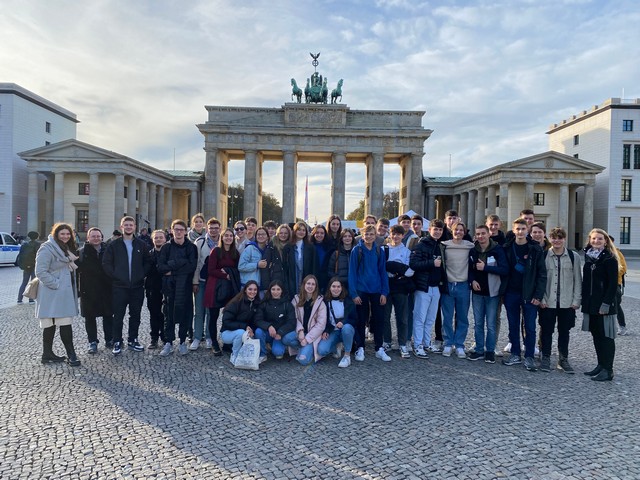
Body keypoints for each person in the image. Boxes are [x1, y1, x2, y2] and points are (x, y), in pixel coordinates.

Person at [501, 218, 547, 372]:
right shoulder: (507, 247)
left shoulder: (535, 249)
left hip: (529, 294)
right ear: (513, 230)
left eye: (523, 229)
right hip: (511, 292)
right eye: (517, 229)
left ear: (527, 230)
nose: (520, 232)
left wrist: (538, 295)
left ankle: (529, 356)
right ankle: (515, 353)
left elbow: (542, 274)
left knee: (530, 326)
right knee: (513, 325)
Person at [102, 216, 152, 355]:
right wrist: (116, 276)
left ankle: (133, 339)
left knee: (135, 315)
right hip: (119, 286)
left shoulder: (141, 244)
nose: (129, 227)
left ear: (134, 227)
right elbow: (106, 263)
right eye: (126, 225)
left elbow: (148, 261)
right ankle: (117, 341)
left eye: (131, 225)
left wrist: (142, 274)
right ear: (121, 227)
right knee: (118, 315)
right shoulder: (114, 245)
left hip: (137, 286)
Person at [35, 223, 81, 366]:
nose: (66, 236)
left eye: (68, 234)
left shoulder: (66, 248)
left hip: (63, 293)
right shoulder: (47, 248)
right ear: (56, 234)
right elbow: (40, 271)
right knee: (50, 324)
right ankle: (50, 354)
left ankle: (66, 353)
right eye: (62, 234)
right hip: (51, 292)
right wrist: (56, 284)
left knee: (65, 323)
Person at [539, 227, 581, 373]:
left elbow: (578, 279)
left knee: (564, 332)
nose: (557, 240)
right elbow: (541, 280)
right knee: (546, 331)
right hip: (548, 301)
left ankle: (563, 359)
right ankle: (545, 357)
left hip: (567, 302)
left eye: (560, 237)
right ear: (550, 239)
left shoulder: (573, 256)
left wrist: (576, 300)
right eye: (554, 238)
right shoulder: (544, 255)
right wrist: (542, 299)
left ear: (564, 239)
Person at [348, 224, 390, 362]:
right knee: (361, 319)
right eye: (367, 234)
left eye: (372, 234)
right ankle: (361, 347)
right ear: (362, 235)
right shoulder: (357, 250)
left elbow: (383, 272)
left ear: (375, 236)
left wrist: (385, 291)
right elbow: (352, 273)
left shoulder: (379, 251)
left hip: (377, 289)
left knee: (379, 319)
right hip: (361, 289)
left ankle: (379, 347)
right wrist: (353, 293)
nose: (369, 237)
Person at [581, 228, 618, 381]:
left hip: (604, 305)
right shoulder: (589, 257)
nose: (596, 241)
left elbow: (612, 284)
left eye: (600, 239)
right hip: (591, 304)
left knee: (606, 337)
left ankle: (608, 369)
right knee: (596, 335)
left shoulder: (609, 259)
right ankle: (600, 365)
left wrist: (606, 304)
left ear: (606, 241)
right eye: (594, 239)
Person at [468, 225, 508, 363]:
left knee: (491, 323)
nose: (481, 236)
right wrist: (472, 280)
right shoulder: (473, 250)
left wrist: (485, 267)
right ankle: (479, 349)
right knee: (478, 323)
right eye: (478, 234)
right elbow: (469, 269)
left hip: (493, 292)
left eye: (483, 233)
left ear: (488, 234)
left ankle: (490, 351)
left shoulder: (497, 250)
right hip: (477, 292)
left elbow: (504, 269)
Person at [157, 219, 198, 356]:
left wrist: (172, 268)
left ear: (186, 231)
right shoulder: (166, 247)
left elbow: (191, 267)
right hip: (169, 287)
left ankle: (182, 342)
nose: (179, 232)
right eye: (176, 229)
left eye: (181, 229)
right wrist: (181, 263)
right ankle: (168, 342)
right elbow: (161, 267)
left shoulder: (191, 247)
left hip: (185, 286)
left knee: (185, 314)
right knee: (168, 315)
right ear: (171, 231)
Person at [410, 219, 444, 359]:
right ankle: (417, 345)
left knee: (430, 318)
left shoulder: (441, 246)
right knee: (420, 318)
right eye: (435, 229)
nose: (437, 232)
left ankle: (426, 342)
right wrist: (431, 263)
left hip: (436, 286)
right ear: (429, 230)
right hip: (423, 286)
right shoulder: (421, 245)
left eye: (440, 230)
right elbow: (414, 264)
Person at [440, 221, 474, 359]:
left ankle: (459, 344)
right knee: (447, 317)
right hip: (448, 284)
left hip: (463, 285)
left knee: (462, 317)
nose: (458, 232)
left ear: (464, 232)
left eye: (461, 230)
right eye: (456, 230)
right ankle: (448, 342)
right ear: (452, 231)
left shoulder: (469, 246)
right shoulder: (444, 246)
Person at [204, 227, 241, 355]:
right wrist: (225, 274)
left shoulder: (235, 253)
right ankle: (214, 342)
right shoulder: (216, 251)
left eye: (231, 236)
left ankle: (227, 342)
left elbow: (238, 269)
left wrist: (228, 271)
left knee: (228, 316)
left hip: (230, 288)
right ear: (222, 237)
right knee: (213, 316)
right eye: (226, 236)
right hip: (215, 286)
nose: (228, 238)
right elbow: (211, 270)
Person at [77, 227, 113, 354]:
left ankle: (110, 339)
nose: (96, 238)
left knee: (108, 316)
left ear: (102, 237)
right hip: (88, 290)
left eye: (98, 236)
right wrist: (77, 290)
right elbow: (76, 272)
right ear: (88, 238)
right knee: (90, 318)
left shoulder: (109, 250)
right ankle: (92, 341)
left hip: (106, 289)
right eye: (93, 236)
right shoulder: (81, 252)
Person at [383, 225, 414, 358]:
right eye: (393, 234)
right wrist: (398, 267)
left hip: (401, 286)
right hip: (386, 285)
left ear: (402, 236)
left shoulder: (406, 251)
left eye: (398, 234)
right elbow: (382, 267)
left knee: (402, 317)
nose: (395, 237)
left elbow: (409, 272)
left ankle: (402, 343)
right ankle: (387, 341)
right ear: (390, 235)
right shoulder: (384, 249)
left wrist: (392, 266)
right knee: (385, 315)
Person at [191, 217, 221, 350]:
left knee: (211, 311)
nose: (214, 230)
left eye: (216, 228)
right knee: (199, 311)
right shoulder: (200, 242)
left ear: (219, 229)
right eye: (211, 228)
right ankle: (197, 337)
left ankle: (209, 336)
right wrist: (195, 282)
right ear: (207, 229)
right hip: (202, 282)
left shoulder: (223, 242)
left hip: (215, 283)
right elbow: (196, 263)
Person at [283, 275, 327, 366]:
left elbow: (321, 325)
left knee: (303, 361)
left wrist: (307, 339)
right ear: (304, 285)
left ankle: (307, 350)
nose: (310, 286)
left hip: (312, 336)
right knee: (286, 339)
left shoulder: (320, 303)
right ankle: (302, 348)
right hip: (300, 332)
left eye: (313, 284)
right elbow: (293, 318)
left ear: (316, 287)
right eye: (308, 283)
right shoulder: (296, 299)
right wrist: (300, 330)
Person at [220, 280, 263, 364]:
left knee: (253, 334)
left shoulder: (257, 303)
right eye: (250, 289)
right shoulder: (236, 302)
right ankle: (234, 355)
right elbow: (226, 322)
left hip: (246, 331)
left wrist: (251, 330)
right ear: (245, 290)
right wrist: (244, 327)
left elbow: (256, 321)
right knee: (241, 333)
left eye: (255, 290)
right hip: (227, 333)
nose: (253, 292)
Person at [318, 277, 357, 367]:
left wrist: (344, 322)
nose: (336, 289)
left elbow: (354, 319)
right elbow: (324, 320)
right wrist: (326, 331)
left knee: (346, 328)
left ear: (342, 288)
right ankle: (337, 347)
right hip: (333, 331)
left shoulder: (348, 300)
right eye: (333, 286)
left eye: (338, 286)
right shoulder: (325, 302)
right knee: (322, 350)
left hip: (346, 330)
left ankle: (347, 356)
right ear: (329, 288)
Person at [255, 280, 296, 360]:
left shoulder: (287, 304)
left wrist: (281, 332)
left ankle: (274, 345)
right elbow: (257, 320)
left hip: (279, 334)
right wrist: (268, 326)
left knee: (278, 353)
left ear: (282, 291)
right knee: (258, 331)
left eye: (278, 289)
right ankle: (262, 354)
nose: (275, 292)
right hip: (268, 332)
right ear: (270, 290)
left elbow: (291, 322)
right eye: (273, 289)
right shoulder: (264, 303)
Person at [145, 230, 166, 349]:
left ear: (164, 239)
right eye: (156, 238)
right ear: (153, 240)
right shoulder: (148, 254)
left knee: (165, 314)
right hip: (152, 288)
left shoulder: (168, 254)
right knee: (154, 314)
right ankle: (154, 338)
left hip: (166, 287)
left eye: (160, 237)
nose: (158, 239)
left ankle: (165, 337)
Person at [284, 221, 317, 296]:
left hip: (306, 282)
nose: (301, 232)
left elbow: (314, 266)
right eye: (299, 230)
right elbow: (285, 267)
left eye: (303, 230)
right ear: (295, 231)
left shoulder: (311, 248)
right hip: (292, 283)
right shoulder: (288, 247)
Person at [261, 224, 292, 298]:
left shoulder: (292, 246)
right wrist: (266, 286)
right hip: (275, 280)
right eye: (281, 233)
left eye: (285, 233)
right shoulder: (272, 246)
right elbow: (264, 266)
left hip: (289, 281)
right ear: (277, 234)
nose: (283, 235)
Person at [609, 236, 628, 336]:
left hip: (615, 283)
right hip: (604, 285)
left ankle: (622, 326)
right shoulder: (601, 253)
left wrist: (611, 275)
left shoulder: (617, 253)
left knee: (616, 305)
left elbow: (623, 268)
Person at [326, 228, 355, 293]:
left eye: (349, 236)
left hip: (354, 286)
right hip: (339, 287)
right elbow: (330, 271)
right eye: (345, 236)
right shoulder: (336, 254)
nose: (347, 238)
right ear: (341, 238)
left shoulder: (357, 252)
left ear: (353, 238)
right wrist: (337, 280)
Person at [16, 230, 40, 304]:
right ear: (36, 237)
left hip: (26, 265)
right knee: (33, 283)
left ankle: (19, 299)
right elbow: (39, 255)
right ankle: (31, 299)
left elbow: (20, 254)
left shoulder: (24, 244)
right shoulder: (37, 244)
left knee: (24, 282)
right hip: (34, 265)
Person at [310, 224, 331, 292]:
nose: (319, 235)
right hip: (311, 278)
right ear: (313, 234)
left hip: (325, 279)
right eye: (317, 233)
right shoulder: (309, 247)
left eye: (322, 233)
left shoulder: (329, 248)